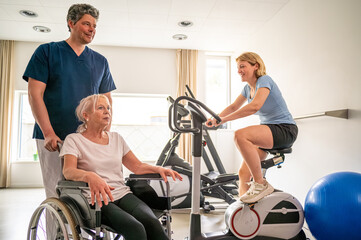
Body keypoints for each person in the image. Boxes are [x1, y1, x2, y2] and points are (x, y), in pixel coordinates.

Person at [23, 3, 116, 199]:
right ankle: (57, 231)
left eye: (94, 26)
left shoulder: (100, 61)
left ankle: (81, 231)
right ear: (71, 23)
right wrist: (48, 132)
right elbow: (34, 94)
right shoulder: (47, 52)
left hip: (87, 138)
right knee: (56, 192)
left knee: (88, 192)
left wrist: (105, 130)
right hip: (53, 138)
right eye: (86, 24)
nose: (92, 29)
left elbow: (106, 100)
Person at [60, 94, 182, 240]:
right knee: (135, 229)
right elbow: (68, 171)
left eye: (108, 108)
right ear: (86, 115)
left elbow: (137, 166)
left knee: (152, 223)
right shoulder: (74, 140)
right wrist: (90, 176)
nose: (107, 112)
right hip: (98, 200)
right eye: (100, 108)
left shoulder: (116, 138)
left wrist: (159, 169)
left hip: (122, 194)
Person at [207, 52, 298, 203]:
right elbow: (234, 107)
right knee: (243, 173)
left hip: (285, 129)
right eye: (238, 67)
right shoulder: (247, 89)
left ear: (256, 66)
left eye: (242, 66)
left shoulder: (264, 80)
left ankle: (260, 184)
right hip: (269, 130)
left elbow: (254, 107)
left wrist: (222, 120)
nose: (239, 71)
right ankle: (244, 212)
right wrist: (215, 118)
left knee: (240, 135)